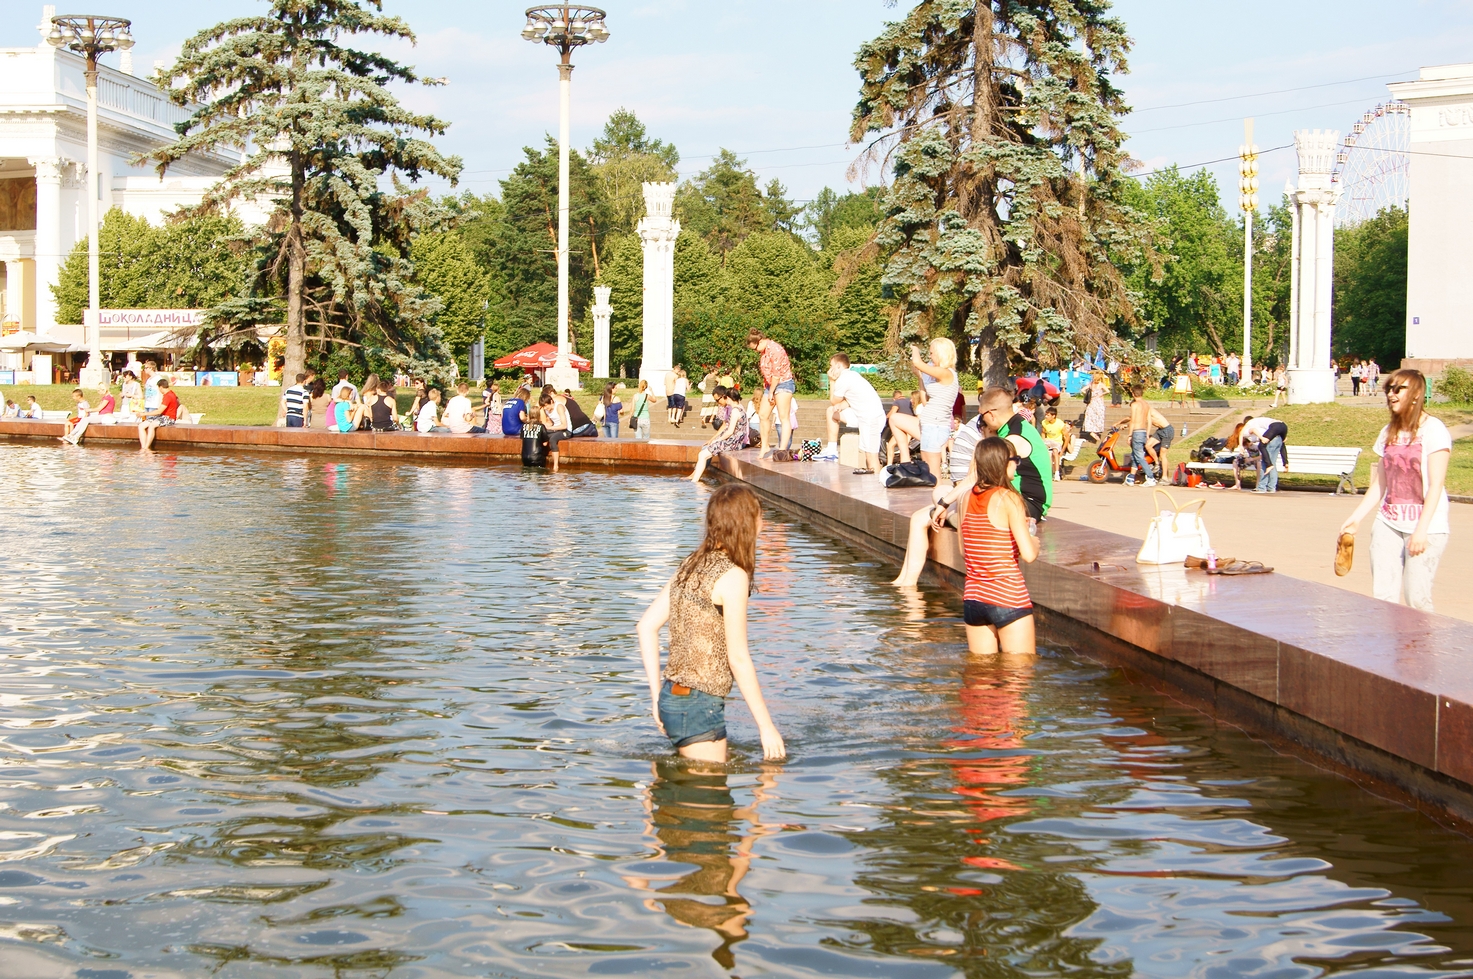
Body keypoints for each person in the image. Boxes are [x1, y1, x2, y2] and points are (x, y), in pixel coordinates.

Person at [637, 483, 785, 763]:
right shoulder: (732, 576)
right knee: (712, 798)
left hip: (672, 698)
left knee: (677, 800)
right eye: (759, 516)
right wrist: (766, 727)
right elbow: (738, 658)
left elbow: (646, 626)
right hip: (698, 705)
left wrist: (656, 697)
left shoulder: (691, 563)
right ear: (744, 523)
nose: (762, 524)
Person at [891, 387, 1051, 587]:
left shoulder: (1012, 438)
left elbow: (976, 476)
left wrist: (944, 504)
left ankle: (908, 585)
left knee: (942, 496)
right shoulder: (1013, 429)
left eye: (982, 418)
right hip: (1006, 500)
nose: (981, 423)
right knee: (919, 517)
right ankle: (904, 584)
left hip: (1026, 506)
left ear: (991, 414)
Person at [1340, 370, 1450, 611]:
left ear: (1416, 394)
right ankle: (1390, 646)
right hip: (1388, 520)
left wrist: (1421, 531)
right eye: (1389, 389)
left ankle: (1421, 647)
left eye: (1398, 389)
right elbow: (1380, 483)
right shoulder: (1388, 431)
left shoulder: (1434, 429)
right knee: (1383, 595)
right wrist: (1356, 518)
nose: (1391, 394)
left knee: (1416, 598)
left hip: (1426, 525)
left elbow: (1435, 485)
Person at [959, 437, 1041, 655]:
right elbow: (1029, 555)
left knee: (980, 677)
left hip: (974, 598)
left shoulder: (965, 498)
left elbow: (963, 550)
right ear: (1004, 463)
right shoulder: (1009, 498)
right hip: (1007, 596)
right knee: (1019, 674)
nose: (1017, 465)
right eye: (1015, 460)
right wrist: (1034, 540)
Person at [885, 338, 958, 474]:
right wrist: (920, 378)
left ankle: (938, 494)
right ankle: (905, 460)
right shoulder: (939, 377)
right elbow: (925, 401)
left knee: (931, 473)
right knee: (894, 419)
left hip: (935, 427)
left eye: (931, 353)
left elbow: (917, 362)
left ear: (940, 353)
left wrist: (915, 349)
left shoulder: (946, 373)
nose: (929, 356)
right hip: (927, 424)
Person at [817, 354, 886, 473]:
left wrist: (831, 381)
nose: (829, 370)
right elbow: (851, 399)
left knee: (871, 456)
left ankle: (877, 485)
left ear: (838, 366)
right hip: (862, 416)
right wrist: (841, 406)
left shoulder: (843, 379)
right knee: (831, 412)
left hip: (871, 419)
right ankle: (832, 449)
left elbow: (833, 400)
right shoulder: (853, 375)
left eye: (831, 366)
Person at [746, 330, 796, 457]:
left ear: (761, 341)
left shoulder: (775, 349)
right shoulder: (765, 351)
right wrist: (768, 389)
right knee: (763, 414)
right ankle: (765, 446)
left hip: (783, 383)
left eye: (755, 348)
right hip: (770, 385)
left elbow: (776, 374)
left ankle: (782, 449)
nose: (756, 351)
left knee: (783, 417)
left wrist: (771, 392)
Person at [688, 387, 748, 483]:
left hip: (732, 442)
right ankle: (695, 479)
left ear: (728, 398)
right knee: (703, 454)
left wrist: (717, 440)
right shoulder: (740, 409)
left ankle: (695, 482)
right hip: (736, 442)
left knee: (703, 455)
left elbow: (730, 431)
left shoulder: (735, 411)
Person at [1125, 385, 1169, 487]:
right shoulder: (1146, 404)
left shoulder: (1135, 405)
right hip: (1143, 431)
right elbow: (1149, 420)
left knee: (1139, 456)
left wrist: (1130, 435)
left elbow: (1132, 420)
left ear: (1133, 393)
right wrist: (1147, 433)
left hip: (1136, 431)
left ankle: (1150, 477)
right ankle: (1131, 478)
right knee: (1136, 454)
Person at [138, 377, 179, 450]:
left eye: (158, 388)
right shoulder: (171, 394)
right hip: (162, 416)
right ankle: (143, 446)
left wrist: (144, 414)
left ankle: (147, 447)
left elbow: (159, 411)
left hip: (169, 418)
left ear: (161, 387)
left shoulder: (168, 396)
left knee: (152, 425)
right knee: (141, 426)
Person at [539, 391, 571, 472]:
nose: (545, 408)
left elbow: (564, 425)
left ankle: (555, 466)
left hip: (566, 431)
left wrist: (551, 428)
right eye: (543, 407)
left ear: (551, 402)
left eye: (546, 406)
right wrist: (546, 425)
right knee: (540, 435)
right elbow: (550, 422)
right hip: (555, 429)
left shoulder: (559, 407)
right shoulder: (546, 409)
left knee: (553, 439)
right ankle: (540, 461)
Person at [1040, 406, 1072, 481]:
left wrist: (1062, 450)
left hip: (1057, 442)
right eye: (1046, 415)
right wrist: (1043, 441)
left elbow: (1067, 437)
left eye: (1048, 415)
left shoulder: (1060, 424)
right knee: (1047, 452)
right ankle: (1049, 473)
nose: (1046, 417)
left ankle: (1057, 473)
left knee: (1055, 452)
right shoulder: (1044, 422)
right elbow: (1043, 433)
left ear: (1053, 416)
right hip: (1048, 440)